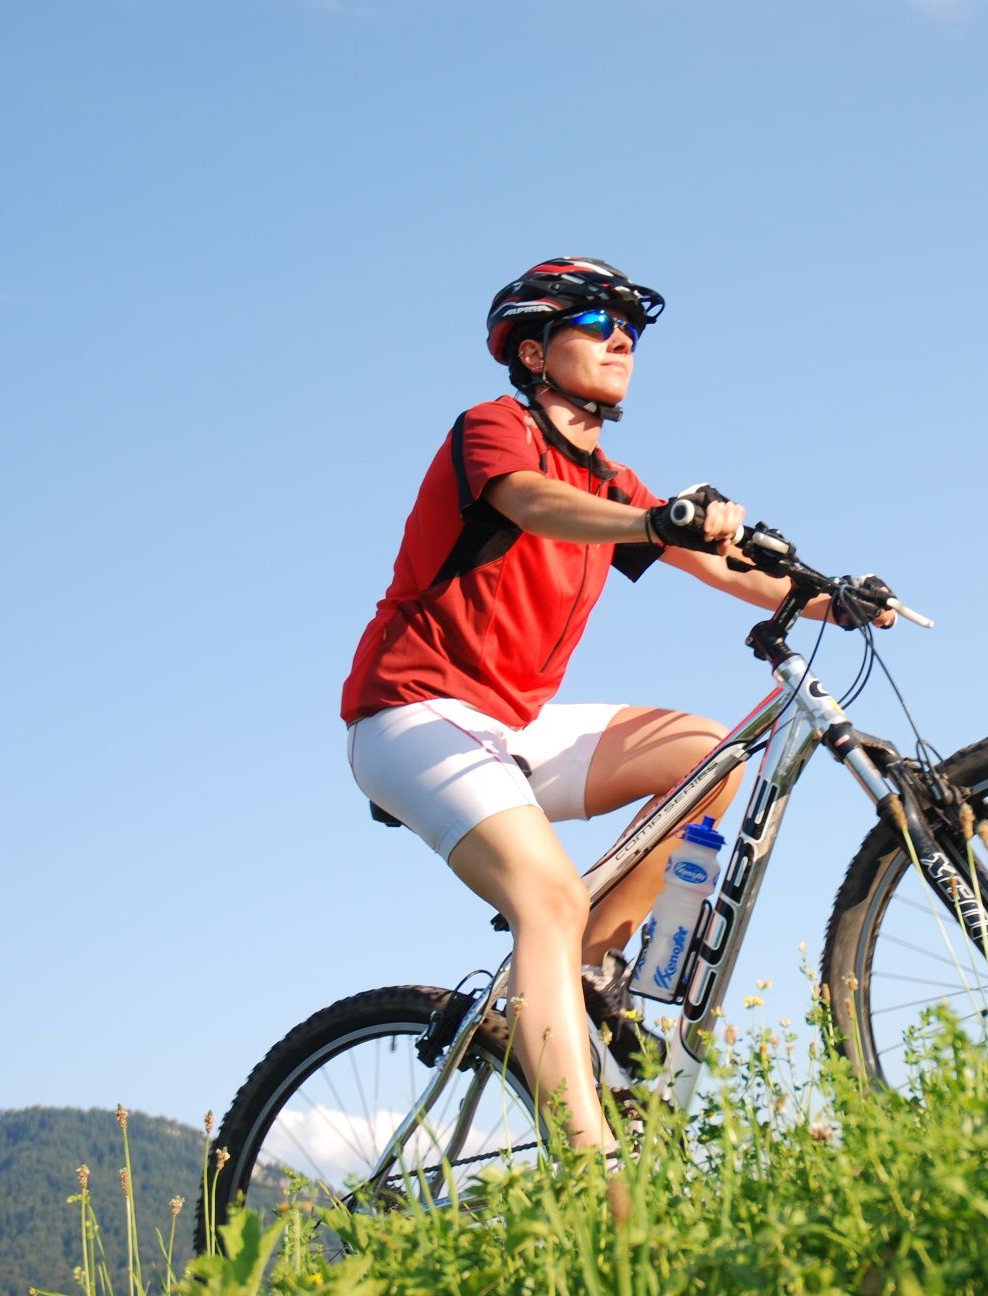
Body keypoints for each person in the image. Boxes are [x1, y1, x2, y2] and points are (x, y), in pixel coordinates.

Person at [339, 257, 889, 1156]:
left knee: (709, 754)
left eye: (630, 328)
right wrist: (651, 521)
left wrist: (835, 599)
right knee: (547, 898)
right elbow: (532, 503)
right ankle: (597, 1177)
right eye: (597, 322)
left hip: (512, 726)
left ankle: (587, 975)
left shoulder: (613, 482)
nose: (622, 340)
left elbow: (720, 566)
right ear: (532, 350)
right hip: (410, 712)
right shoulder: (495, 430)